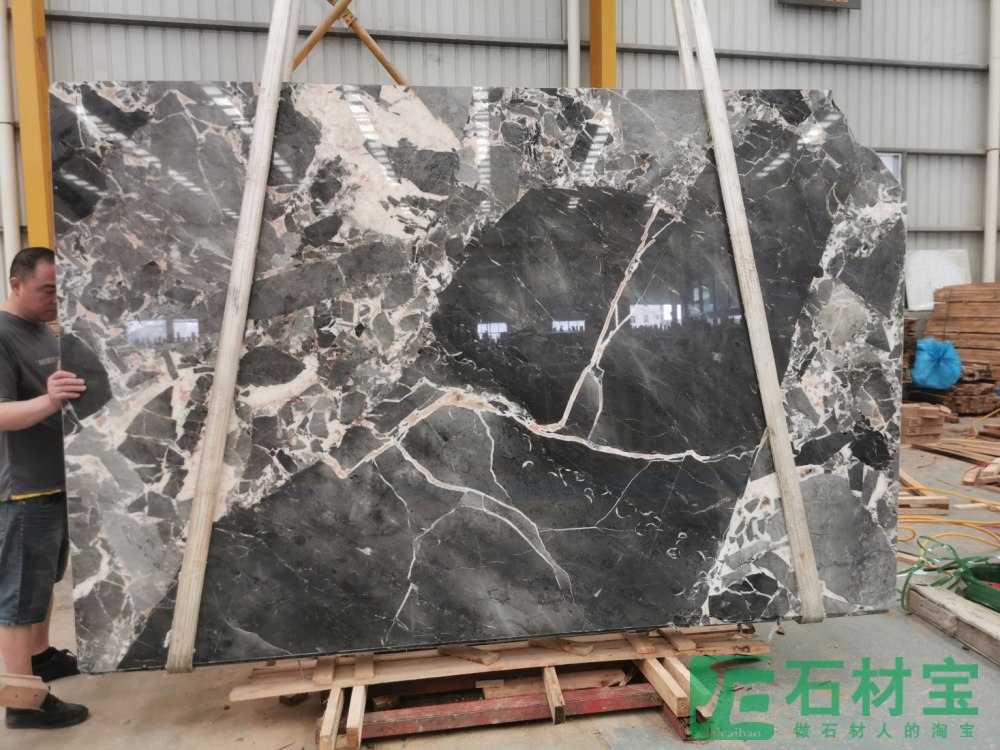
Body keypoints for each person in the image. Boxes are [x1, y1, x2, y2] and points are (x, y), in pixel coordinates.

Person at [0, 247, 88, 729]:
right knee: (17, 598)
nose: (55, 300)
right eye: (46, 291)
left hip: (52, 481)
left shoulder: (41, 328)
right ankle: (22, 700)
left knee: (42, 583)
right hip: (22, 490)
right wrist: (50, 402)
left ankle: (41, 656)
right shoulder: (1, 334)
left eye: (59, 290)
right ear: (16, 284)